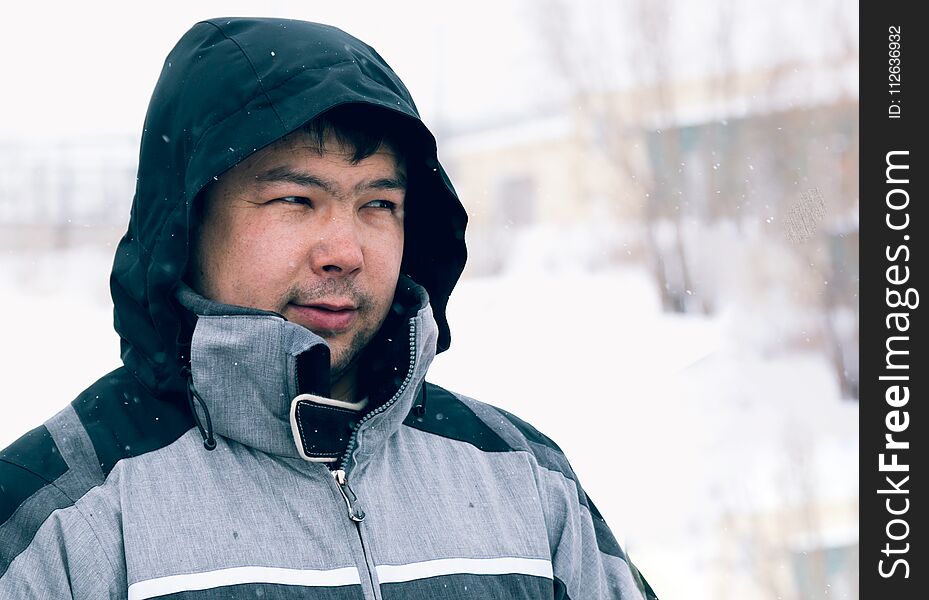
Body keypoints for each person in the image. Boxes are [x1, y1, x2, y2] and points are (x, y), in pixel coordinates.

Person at [0, 17, 657, 599]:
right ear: (188, 224)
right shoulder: (60, 510)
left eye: (378, 204)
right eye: (294, 200)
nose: (344, 251)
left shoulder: (522, 477)